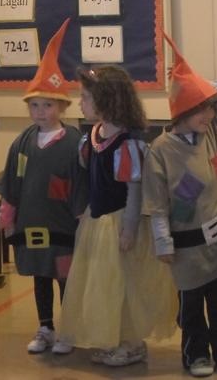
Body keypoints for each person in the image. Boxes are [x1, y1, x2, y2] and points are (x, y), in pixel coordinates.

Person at [142, 33, 217, 377]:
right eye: (201, 108)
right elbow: (157, 204)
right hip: (186, 246)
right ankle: (196, 352)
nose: (209, 113)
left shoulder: (211, 130)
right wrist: (163, 242)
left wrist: (194, 80)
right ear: (182, 112)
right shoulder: (161, 150)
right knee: (191, 305)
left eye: (208, 107)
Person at [58, 64, 177, 367]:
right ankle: (114, 338)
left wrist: (129, 228)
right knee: (103, 285)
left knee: (126, 287)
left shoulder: (128, 143)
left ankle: (131, 343)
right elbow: (88, 176)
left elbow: (133, 191)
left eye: (86, 97)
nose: (80, 103)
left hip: (120, 222)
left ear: (107, 100)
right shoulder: (93, 137)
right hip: (98, 221)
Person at [0, 19, 81, 355]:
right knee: (40, 276)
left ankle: (69, 328)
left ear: (62, 107)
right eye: (35, 105)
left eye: (48, 105)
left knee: (65, 277)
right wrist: (8, 217)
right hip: (34, 227)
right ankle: (45, 327)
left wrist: (83, 221)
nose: (41, 111)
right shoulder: (23, 143)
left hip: (64, 227)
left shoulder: (74, 142)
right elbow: (12, 183)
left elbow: (81, 186)